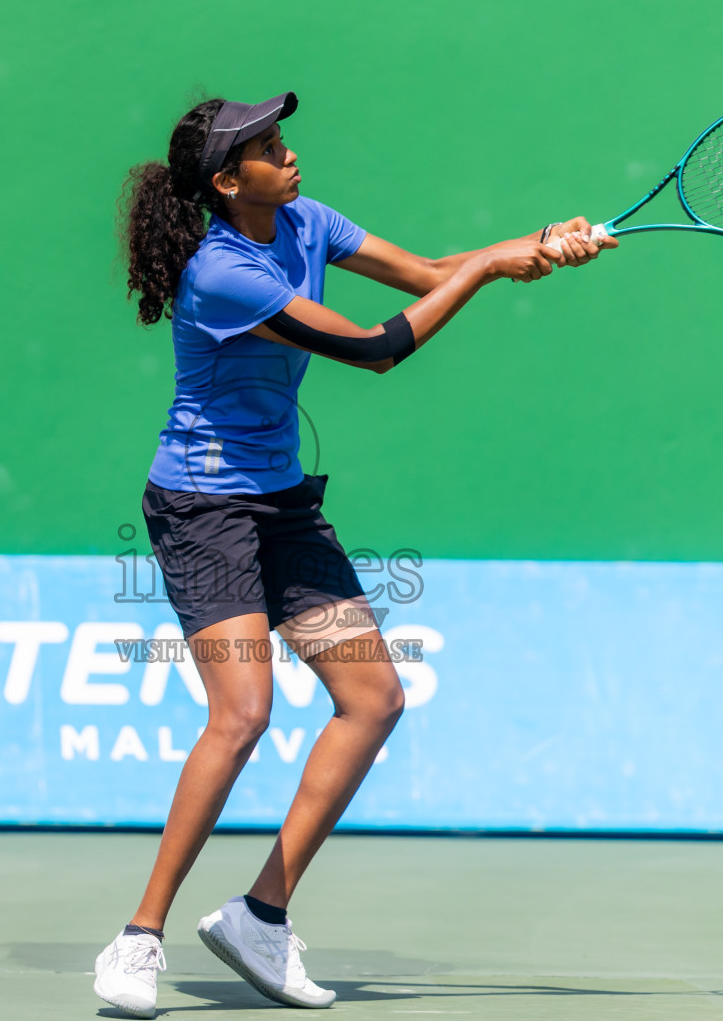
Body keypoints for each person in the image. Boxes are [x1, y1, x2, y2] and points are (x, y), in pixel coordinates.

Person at [94, 92, 615, 1017]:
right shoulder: (223, 272)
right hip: (203, 509)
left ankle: (262, 916)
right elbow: (378, 349)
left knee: (373, 697)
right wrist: (491, 268)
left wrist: (524, 248)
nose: (288, 156)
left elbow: (423, 279)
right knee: (242, 714)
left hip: (283, 505)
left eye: (283, 140)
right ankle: (138, 938)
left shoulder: (307, 221)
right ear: (226, 181)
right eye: (267, 149)